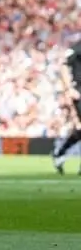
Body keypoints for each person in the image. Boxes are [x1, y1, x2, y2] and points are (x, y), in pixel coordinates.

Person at [52, 41, 81, 175]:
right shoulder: (76, 47)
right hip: (79, 91)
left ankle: (59, 153)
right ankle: (60, 153)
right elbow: (63, 66)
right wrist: (69, 88)